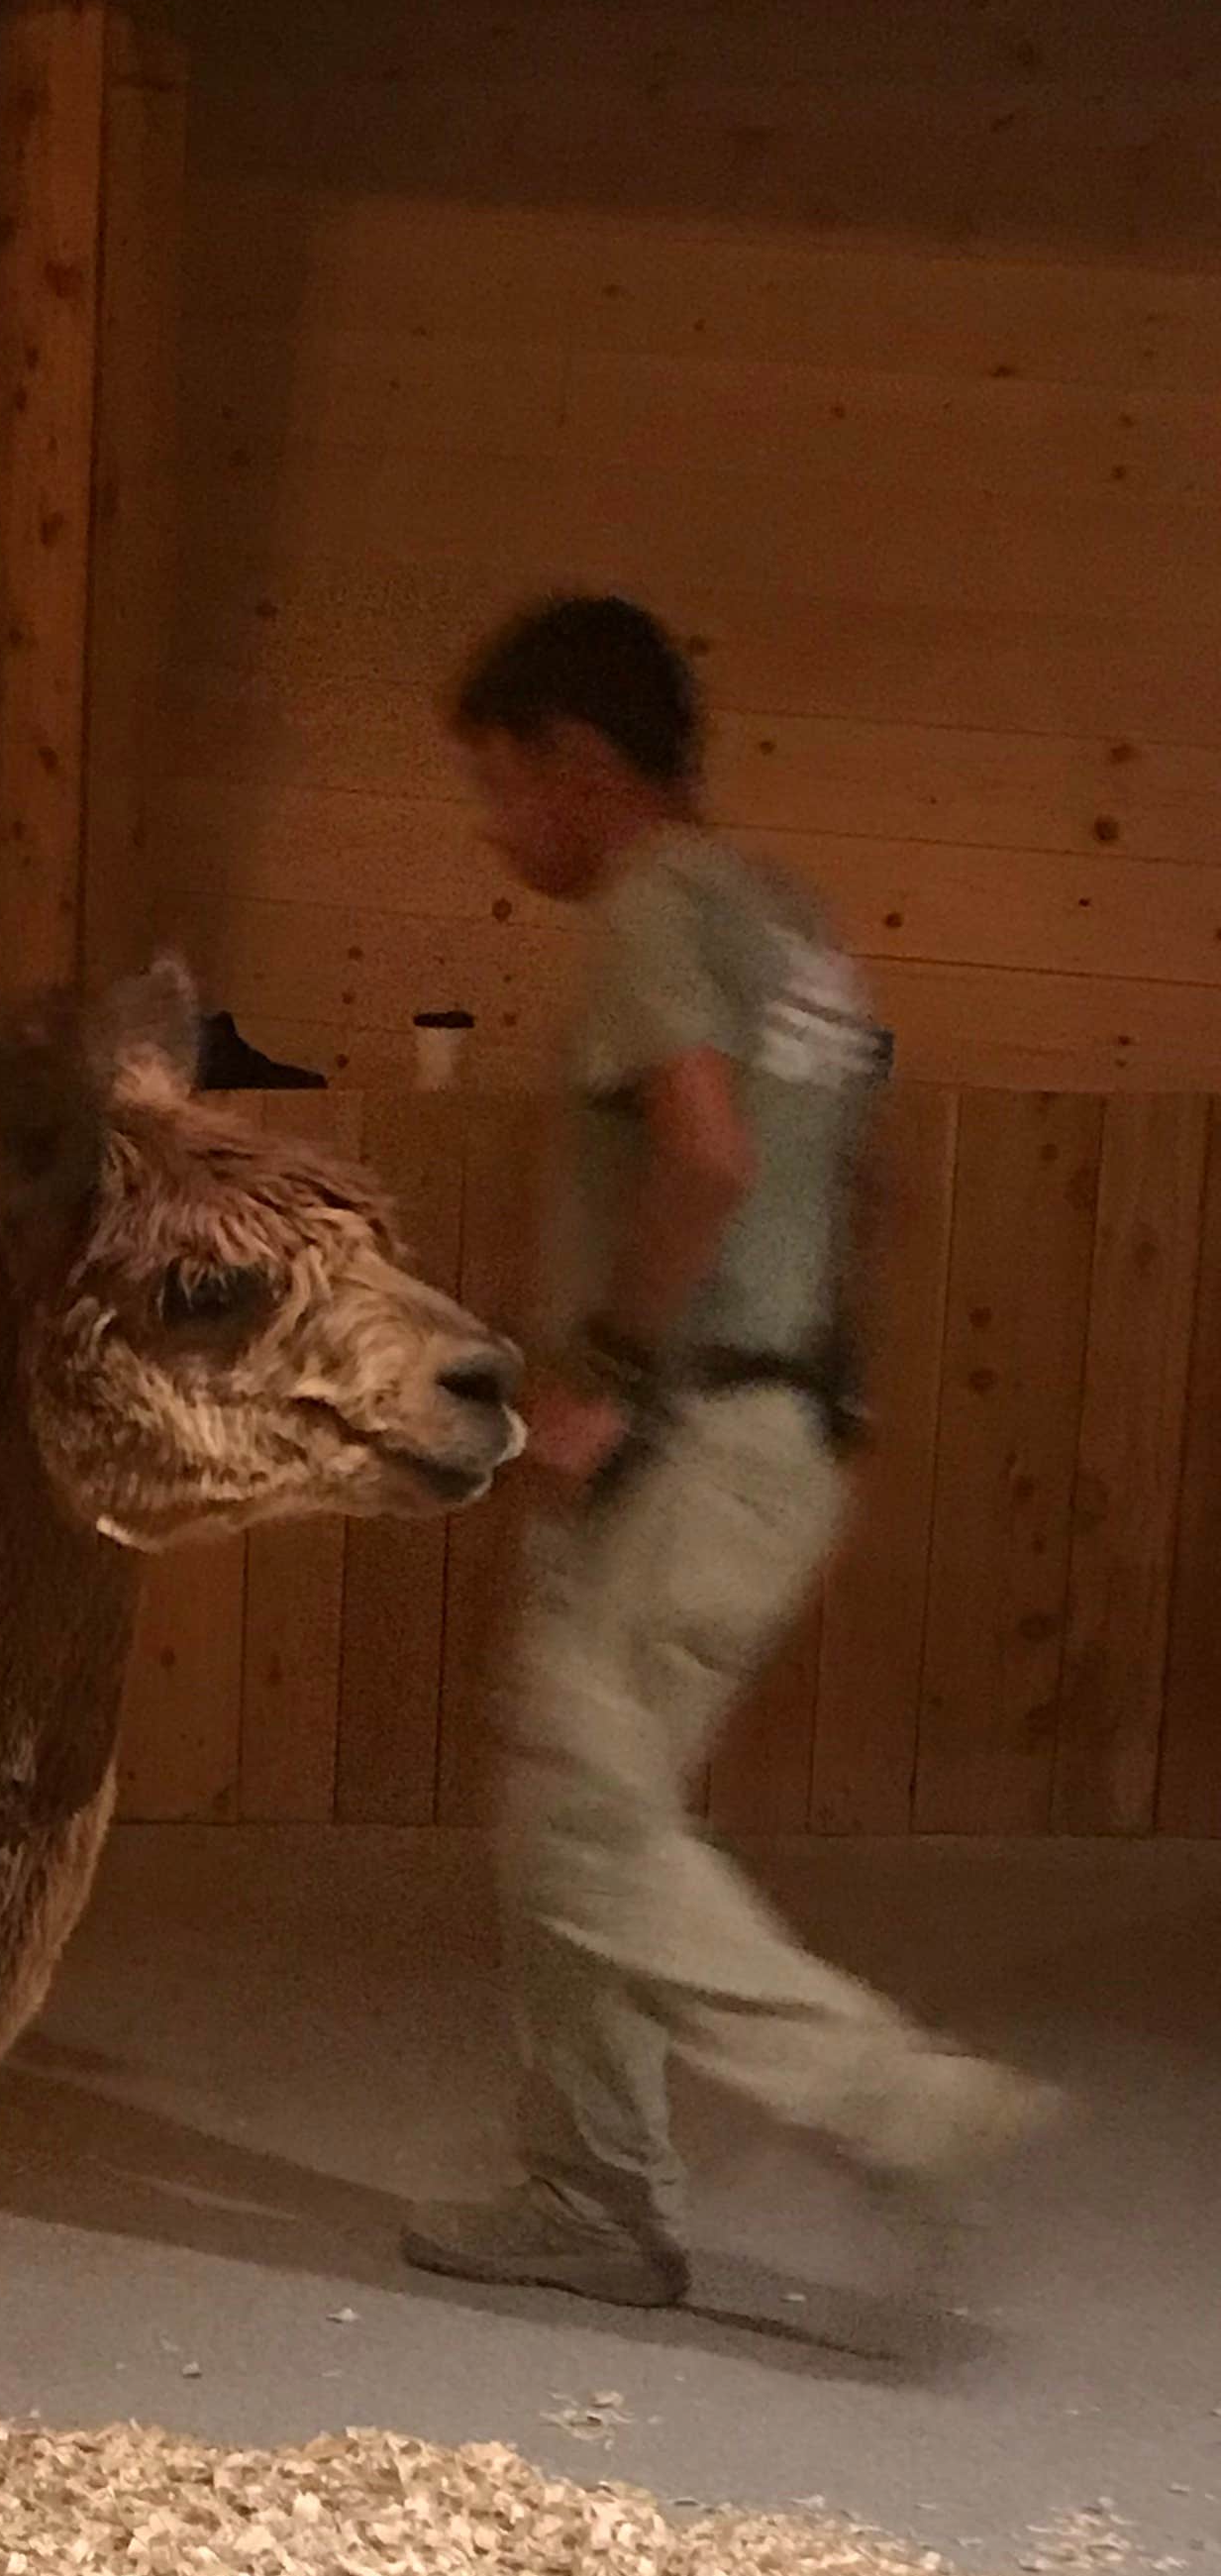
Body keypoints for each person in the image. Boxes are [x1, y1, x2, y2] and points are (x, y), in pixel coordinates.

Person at [402, 595, 1054, 2318]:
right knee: (579, 1805)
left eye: (496, 782)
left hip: (680, 1430)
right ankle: (593, 2189)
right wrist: (813, 1389)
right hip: (782, 1427)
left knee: (582, 1824)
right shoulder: (797, 927)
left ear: (578, 758)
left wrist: (613, 1367)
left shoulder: (656, 910)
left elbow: (704, 1153)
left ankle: (898, 2107)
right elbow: (865, 1176)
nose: (494, 826)